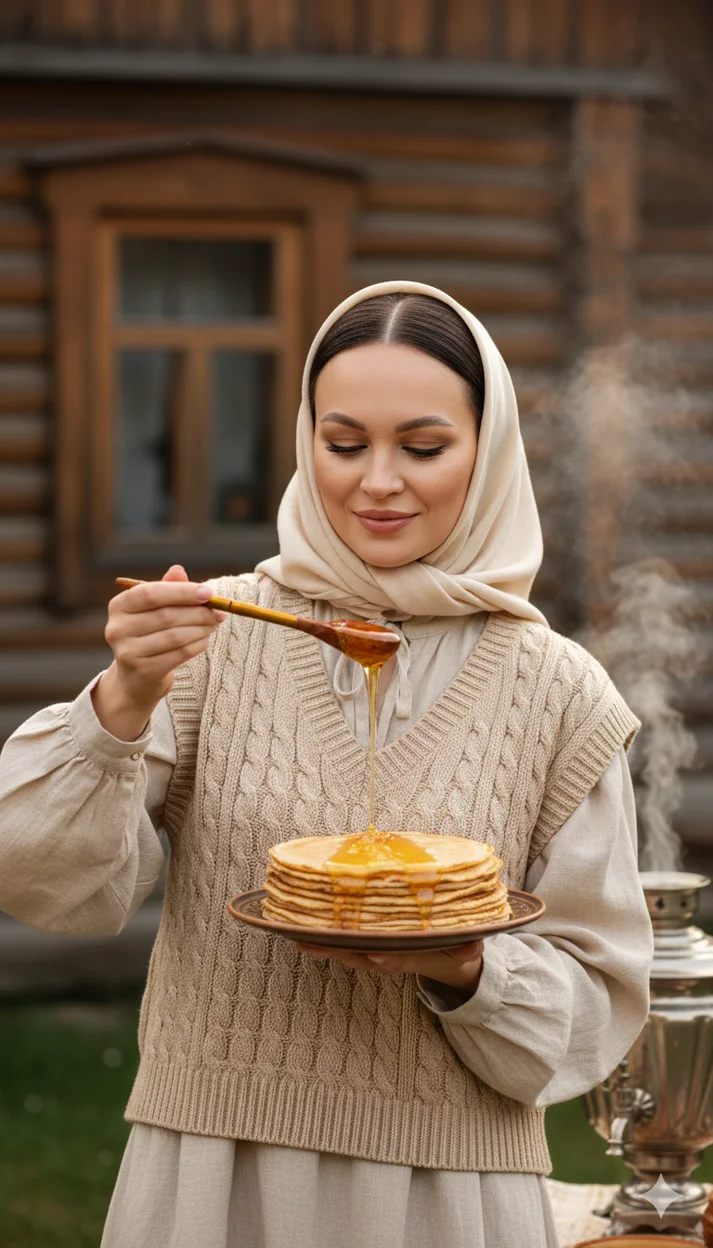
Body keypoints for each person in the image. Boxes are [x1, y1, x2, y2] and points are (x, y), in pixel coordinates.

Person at [0, 281, 653, 1248]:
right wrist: (121, 702)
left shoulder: (561, 692)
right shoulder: (207, 642)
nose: (376, 481)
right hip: (207, 1175)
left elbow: (599, 1007)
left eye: (423, 448)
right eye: (342, 443)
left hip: (451, 1193)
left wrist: (466, 966)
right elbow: (45, 886)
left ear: (488, 452)